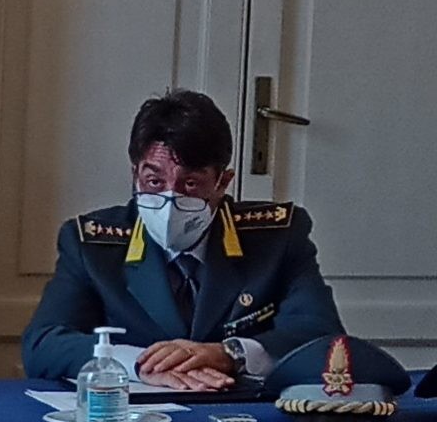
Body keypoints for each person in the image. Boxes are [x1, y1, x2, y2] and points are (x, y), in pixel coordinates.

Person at [21, 88, 341, 387]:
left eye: (190, 184)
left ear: (222, 182)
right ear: (135, 175)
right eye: (154, 181)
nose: (169, 201)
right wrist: (141, 365)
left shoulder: (277, 238)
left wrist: (231, 354)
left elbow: (323, 339)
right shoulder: (92, 245)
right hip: (136, 415)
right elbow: (44, 345)